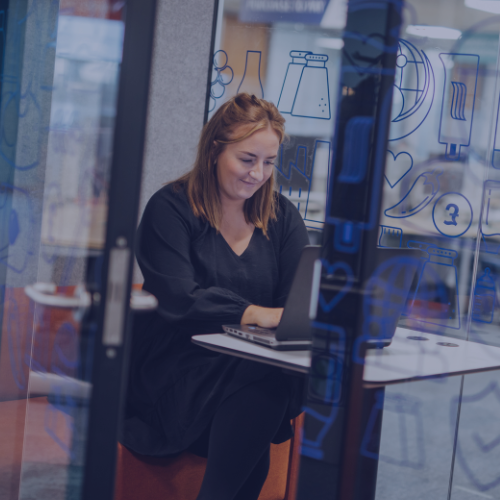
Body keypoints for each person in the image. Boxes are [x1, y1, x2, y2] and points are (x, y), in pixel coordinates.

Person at [122, 93, 309, 500]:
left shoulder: (281, 216)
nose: (258, 174)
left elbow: (295, 304)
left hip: (247, 369)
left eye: (269, 162)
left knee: (264, 383)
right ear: (214, 151)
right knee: (264, 386)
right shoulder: (170, 208)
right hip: (174, 370)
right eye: (247, 159)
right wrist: (254, 313)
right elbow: (178, 297)